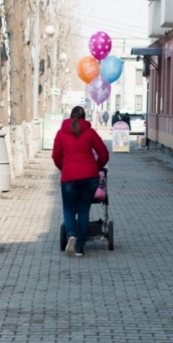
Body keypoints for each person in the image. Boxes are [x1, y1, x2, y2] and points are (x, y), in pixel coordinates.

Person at [52, 106, 109, 257]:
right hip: (90, 177)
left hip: (69, 177)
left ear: (70, 116)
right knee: (84, 210)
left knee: (69, 208)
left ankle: (71, 234)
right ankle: (80, 248)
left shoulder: (61, 133)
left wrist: (64, 168)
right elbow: (104, 153)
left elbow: (56, 156)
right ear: (84, 117)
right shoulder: (90, 132)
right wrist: (95, 167)